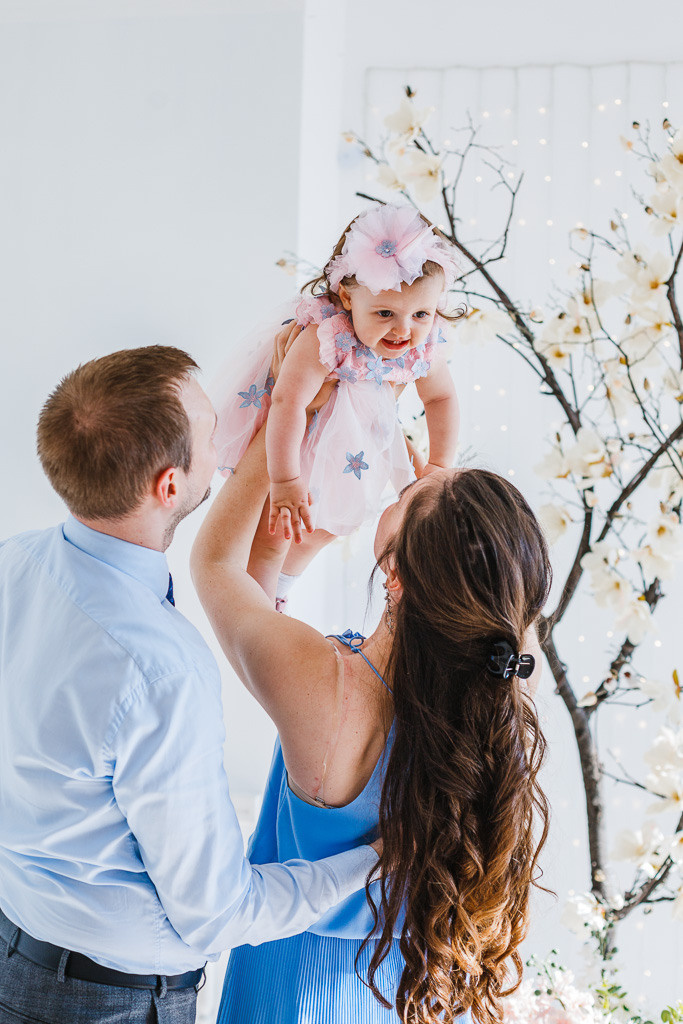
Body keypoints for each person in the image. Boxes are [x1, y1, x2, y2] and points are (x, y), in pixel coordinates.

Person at [0, 345, 380, 1024]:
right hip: (106, 1001)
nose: (226, 437)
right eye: (213, 434)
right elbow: (216, 915)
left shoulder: (13, 564)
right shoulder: (160, 671)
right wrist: (373, 864)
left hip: (16, 949)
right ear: (169, 487)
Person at [191, 405, 552, 1023]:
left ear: (396, 575)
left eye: (412, 494)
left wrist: (291, 417)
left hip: (299, 986)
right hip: (410, 981)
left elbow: (219, 567)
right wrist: (438, 511)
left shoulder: (328, 686)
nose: (419, 474)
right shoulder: (506, 692)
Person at [210, 202, 464, 610]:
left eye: (422, 313)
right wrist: (285, 481)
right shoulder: (327, 336)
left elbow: (441, 397)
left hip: (357, 444)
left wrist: (439, 463)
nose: (404, 330)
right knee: (279, 529)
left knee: (326, 528)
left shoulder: (425, 341)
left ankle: (280, 588)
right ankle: (258, 612)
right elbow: (289, 402)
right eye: (385, 313)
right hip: (301, 441)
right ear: (346, 297)